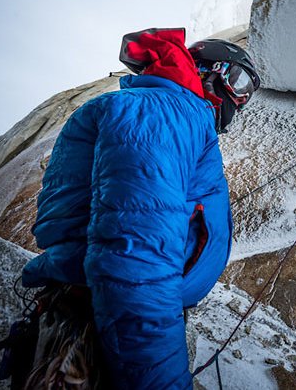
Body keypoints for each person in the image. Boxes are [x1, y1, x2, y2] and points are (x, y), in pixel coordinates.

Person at [19, 28, 260, 389]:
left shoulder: (162, 111)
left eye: (247, 93)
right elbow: (134, 259)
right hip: (99, 329)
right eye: (238, 83)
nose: (238, 101)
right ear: (209, 71)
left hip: (91, 311)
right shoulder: (167, 114)